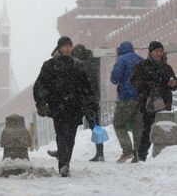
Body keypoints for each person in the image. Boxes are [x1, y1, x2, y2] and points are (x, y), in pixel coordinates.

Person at [33, 36, 97, 177]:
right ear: (59, 48)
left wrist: (90, 103)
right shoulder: (50, 65)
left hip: (75, 107)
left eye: (70, 46)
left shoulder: (78, 65)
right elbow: (40, 85)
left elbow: (85, 86)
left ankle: (65, 162)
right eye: (65, 46)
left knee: (71, 137)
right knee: (61, 135)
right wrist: (41, 103)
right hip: (58, 107)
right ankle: (64, 164)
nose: (68, 49)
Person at [130, 41, 177, 161]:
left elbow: (174, 84)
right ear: (150, 52)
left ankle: (161, 156)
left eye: (161, 51)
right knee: (148, 129)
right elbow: (135, 82)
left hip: (164, 103)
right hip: (148, 103)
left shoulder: (166, 67)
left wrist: (173, 83)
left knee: (163, 128)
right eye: (157, 51)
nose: (159, 54)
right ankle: (142, 156)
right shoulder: (141, 66)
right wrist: (152, 85)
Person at [110, 41, 144, 163]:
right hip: (140, 98)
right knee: (138, 126)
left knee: (118, 124)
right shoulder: (141, 59)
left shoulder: (121, 59)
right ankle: (138, 154)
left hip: (126, 97)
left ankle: (127, 150)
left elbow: (114, 79)